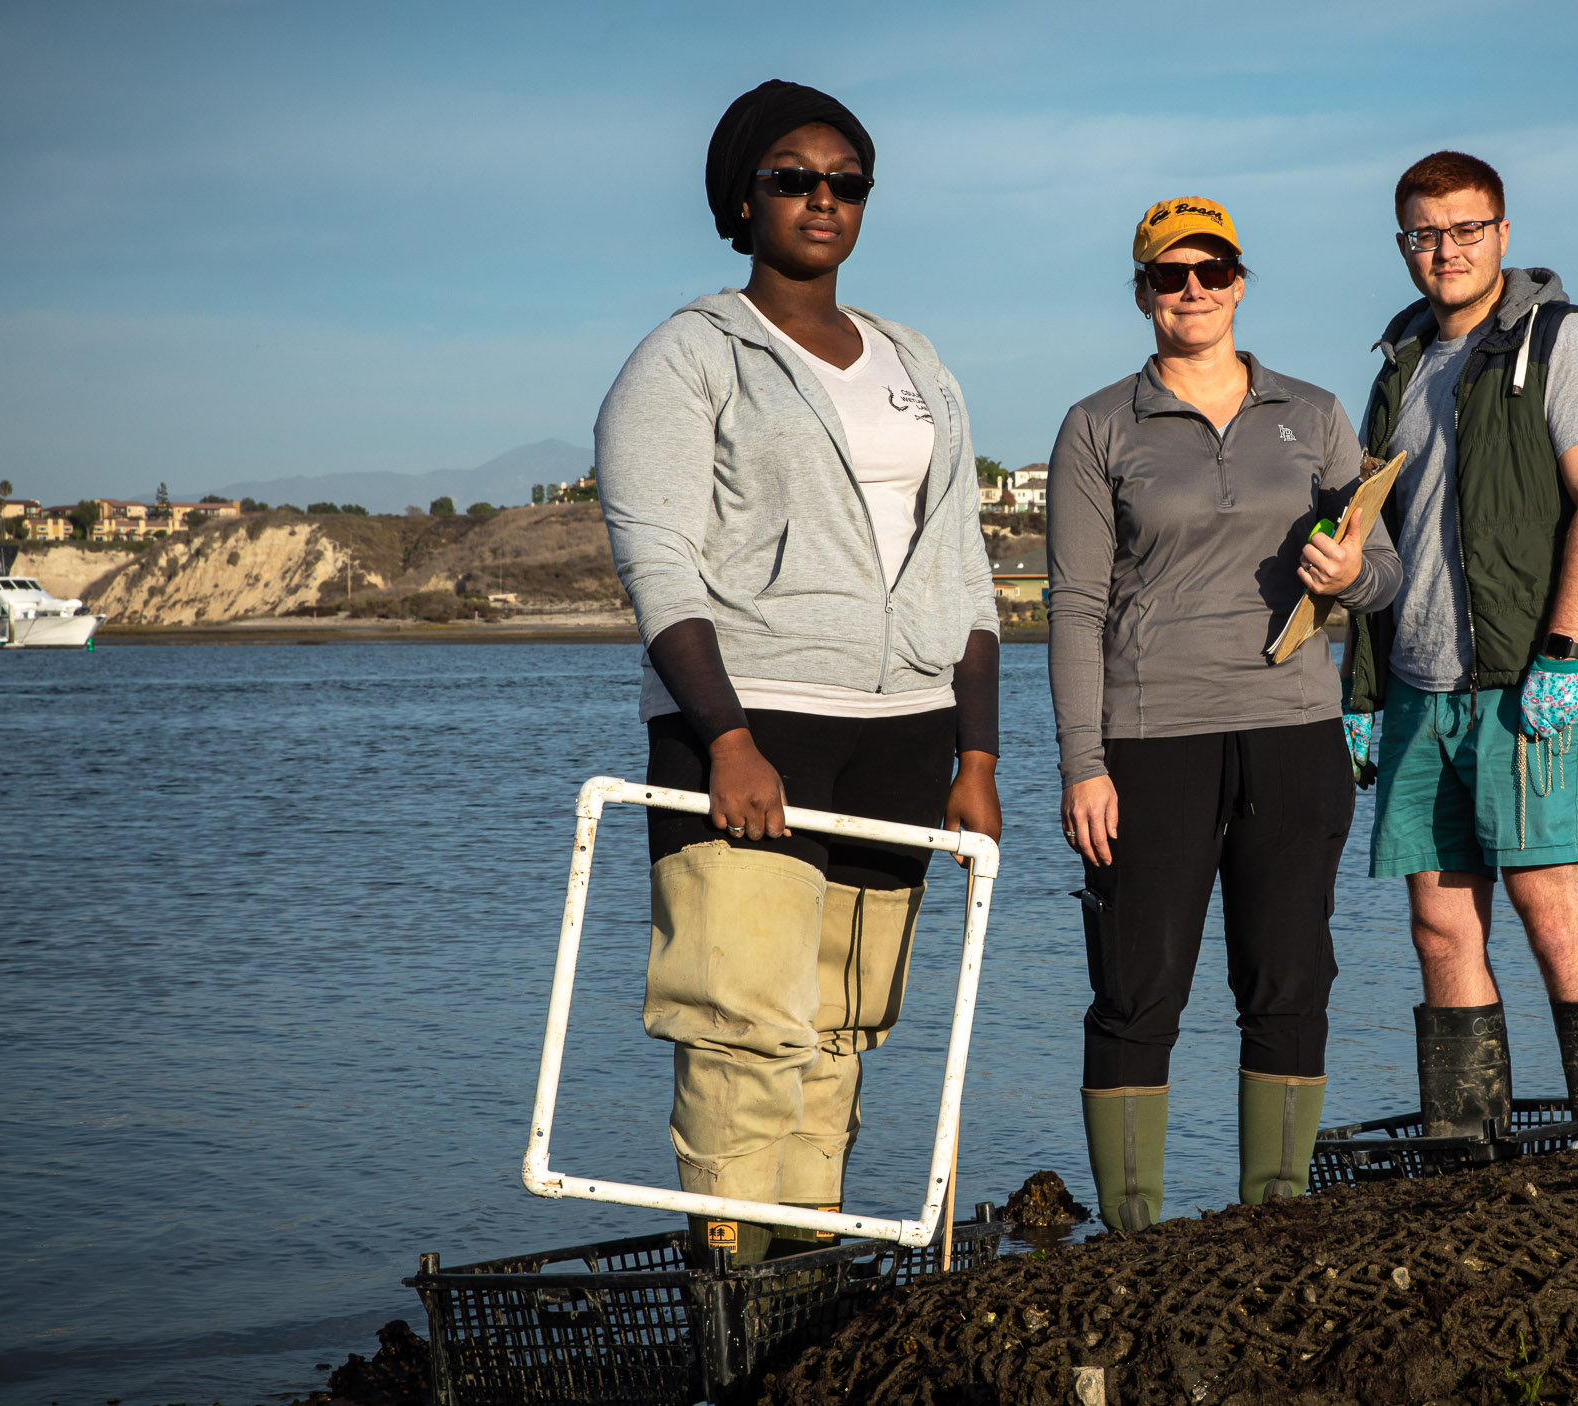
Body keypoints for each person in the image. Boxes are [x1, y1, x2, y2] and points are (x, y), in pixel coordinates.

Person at [594, 81, 1001, 1265]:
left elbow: (964, 565)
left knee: (838, 1037)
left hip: (906, 731)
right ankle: (729, 1283)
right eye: (792, 178)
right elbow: (656, 562)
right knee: (740, 1036)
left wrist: (976, 754)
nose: (822, 199)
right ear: (740, 199)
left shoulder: (914, 359)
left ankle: (802, 1290)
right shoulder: (687, 354)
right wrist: (722, 735)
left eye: (846, 182)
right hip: (754, 727)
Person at [1049, 197, 1400, 1231]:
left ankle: (1275, 1216)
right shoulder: (1097, 425)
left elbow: (1380, 567)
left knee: (1289, 978)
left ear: (1240, 282)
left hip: (1295, 731)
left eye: (1211, 270)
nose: (1192, 290)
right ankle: (1132, 1230)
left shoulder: (1315, 412)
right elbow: (1072, 605)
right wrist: (1082, 761)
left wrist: (1352, 573)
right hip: (1147, 742)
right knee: (1136, 989)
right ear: (1143, 293)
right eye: (1169, 274)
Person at [1340, 151, 1578, 1139]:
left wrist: (1562, 653)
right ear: (1403, 244)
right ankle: (1462, 1141)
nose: (1445, 250)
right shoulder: (1398, 364)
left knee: (1549, 909)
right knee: (1436, 922)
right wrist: (1359, 690)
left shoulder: (1559, 340)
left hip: (1528, 679)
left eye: (1465, 228)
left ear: (1502, 234)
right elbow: (1369, 538)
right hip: (1415, 688)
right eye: (1424, 233)